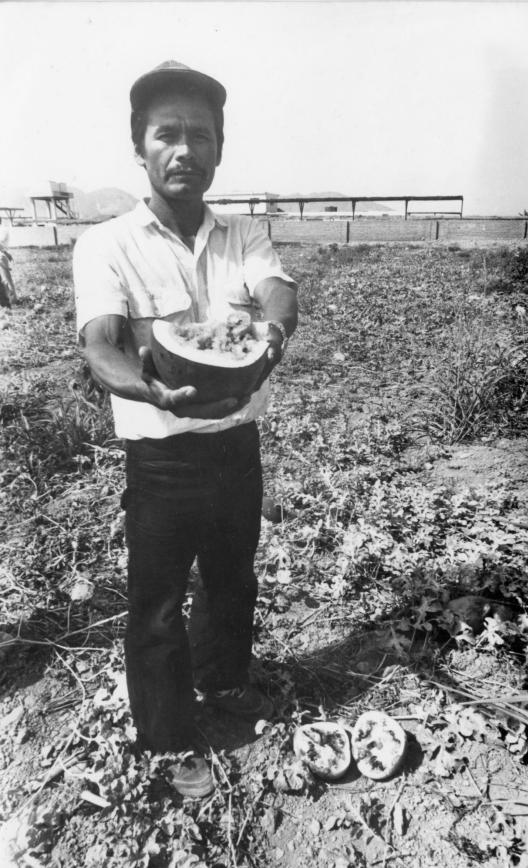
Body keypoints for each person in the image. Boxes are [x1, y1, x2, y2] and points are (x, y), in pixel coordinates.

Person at [73, 61, 298, 798]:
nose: (184, 150)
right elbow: (100, 346)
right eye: (166, 134)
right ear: (139, 146)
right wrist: (151, 389)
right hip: (161, 456)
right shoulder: (106, 245)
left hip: (237, 445)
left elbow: (275, 299)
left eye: (199, 136)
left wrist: (267, 338)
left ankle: (225, 681)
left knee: (234, 578)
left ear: (219, 149)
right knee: (159, 600)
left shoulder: (245, 238)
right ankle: (167, 736)